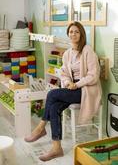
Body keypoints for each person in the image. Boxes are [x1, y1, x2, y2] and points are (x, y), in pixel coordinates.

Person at [24, 21, 102, 161]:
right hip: (72, 88)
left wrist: (76, 85)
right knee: (54, 107)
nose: (73, 34)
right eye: (71, 32)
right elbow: (64, 73)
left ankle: (41, 127)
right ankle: (56, 148)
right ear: (68, 34)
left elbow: (93, 75)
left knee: (52, 94)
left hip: (86, 90)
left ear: (81, 34)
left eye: (76, 31)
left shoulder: (87, 51)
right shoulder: (67, 54)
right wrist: (67, 83)